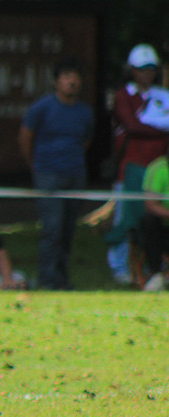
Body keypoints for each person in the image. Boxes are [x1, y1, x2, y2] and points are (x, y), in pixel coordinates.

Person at [18, 57, 94, 290]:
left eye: (75, 77)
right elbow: (25, 137)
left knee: (68, 229)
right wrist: (36, 165)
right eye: (66, 77)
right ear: (56, 82)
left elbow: (86, 141)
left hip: (74, 174)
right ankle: (47, 279)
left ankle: (61, 279)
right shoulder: (41, 107)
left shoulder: (84, 112)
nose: (71, 82)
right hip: (47, 174)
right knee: (52, 228)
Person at [106, 44, 169, 285]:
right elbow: (131, 126)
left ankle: (152, 267)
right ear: (131, 70)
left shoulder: (162, 96)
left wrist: (151, 125)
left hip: (158, 171)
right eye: (141, 69)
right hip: (129, 168)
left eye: (151, 68)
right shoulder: (123, 95)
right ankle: (119, 268)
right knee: (126, 218)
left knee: (151, 220)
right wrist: (162, 126)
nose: (146, 73)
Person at [135, 145, 169, 290]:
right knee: (148, 221)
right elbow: (150, 205)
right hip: (161, 227)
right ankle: (156, 274)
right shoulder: (159, 168)